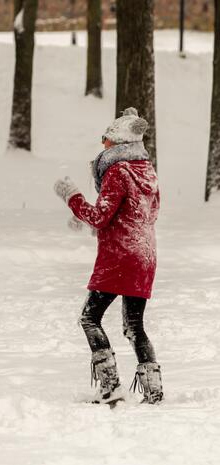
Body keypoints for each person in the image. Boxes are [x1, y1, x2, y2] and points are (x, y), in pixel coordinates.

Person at [53, 107, 163, 405]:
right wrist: (89, 221)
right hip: (144, 254)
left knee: (90, 318)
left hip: (120, 257)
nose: (103, 145)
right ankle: (153, 391)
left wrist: (72, 197)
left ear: (119, 145)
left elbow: (102, 217)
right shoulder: (146, 171)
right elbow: (138, 215)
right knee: (134, 325)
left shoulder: (118, 171)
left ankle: (110, 387)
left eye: (108, 140)